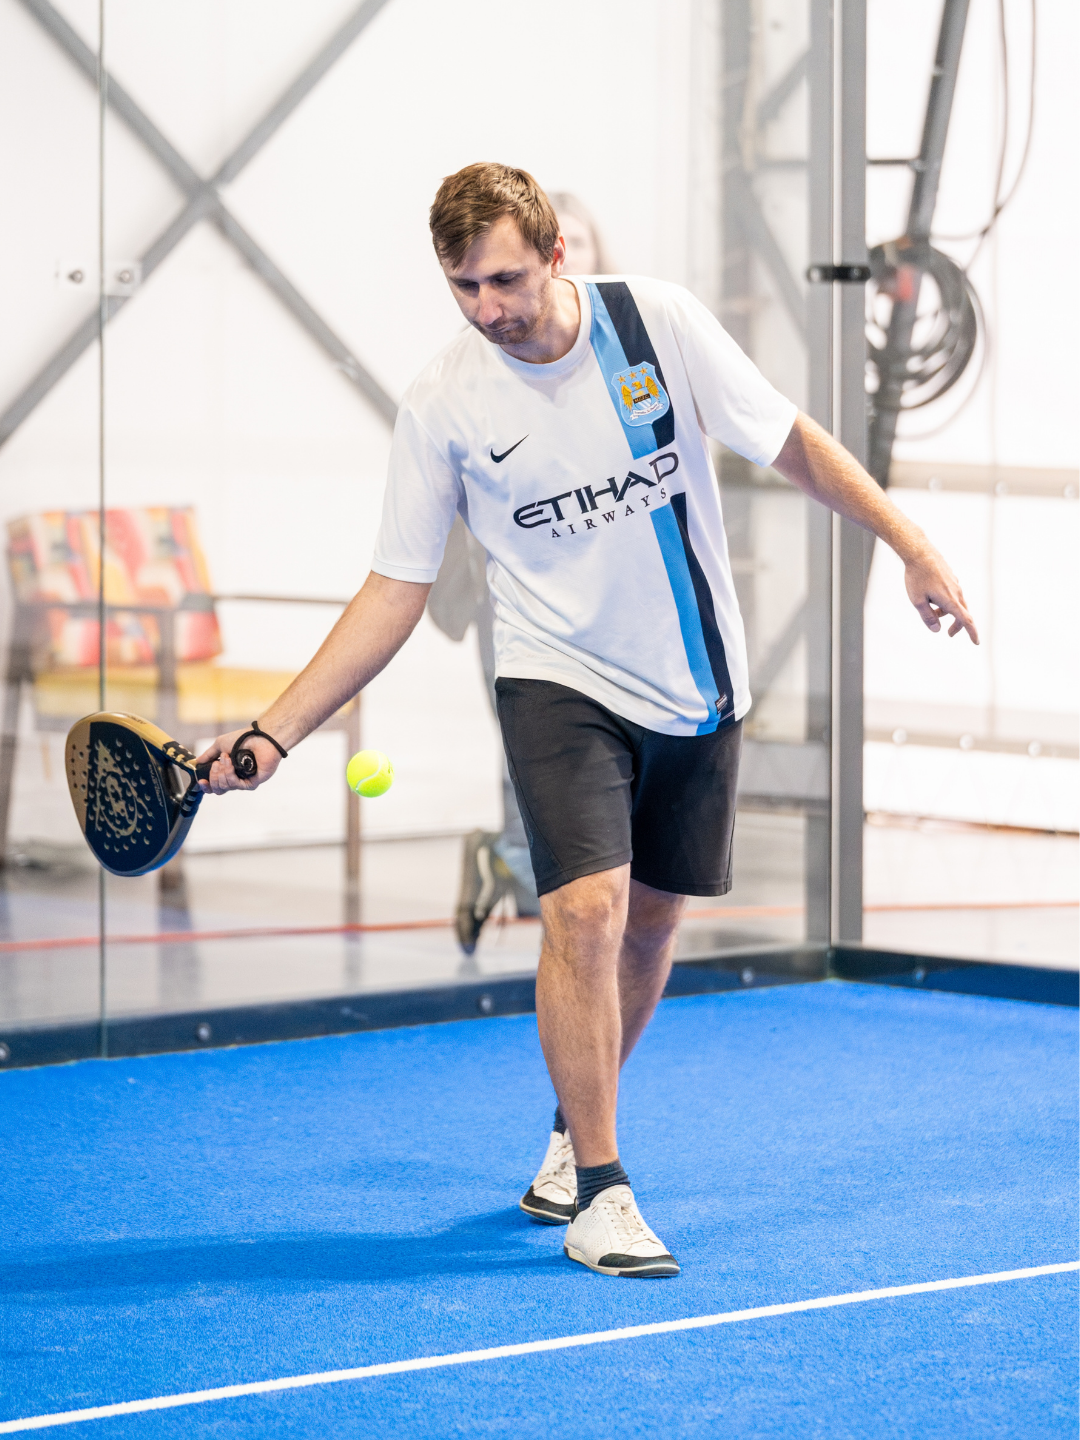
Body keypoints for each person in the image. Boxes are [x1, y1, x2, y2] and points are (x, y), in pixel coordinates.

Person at [199, 163, 978, 1280]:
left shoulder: (655, 324)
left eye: (505, 280)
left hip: (696, 681)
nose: (487, 309)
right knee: (584, 910)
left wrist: (912, 545)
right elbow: (393, 589)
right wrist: (275, 732)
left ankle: (574, 1127)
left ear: (556, 254)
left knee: (652, 925)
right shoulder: (443, 402)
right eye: (463, 287)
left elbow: (790, 439)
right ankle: (605, 1193)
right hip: (554, 678)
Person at [427, 192, 614, 956]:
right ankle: (535, 886)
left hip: (609, 600)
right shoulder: (468, 374)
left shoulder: (633, 344)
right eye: (473, 283)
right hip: (507, 597)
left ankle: (513, 864)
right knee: (534, 747)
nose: (490, 301)